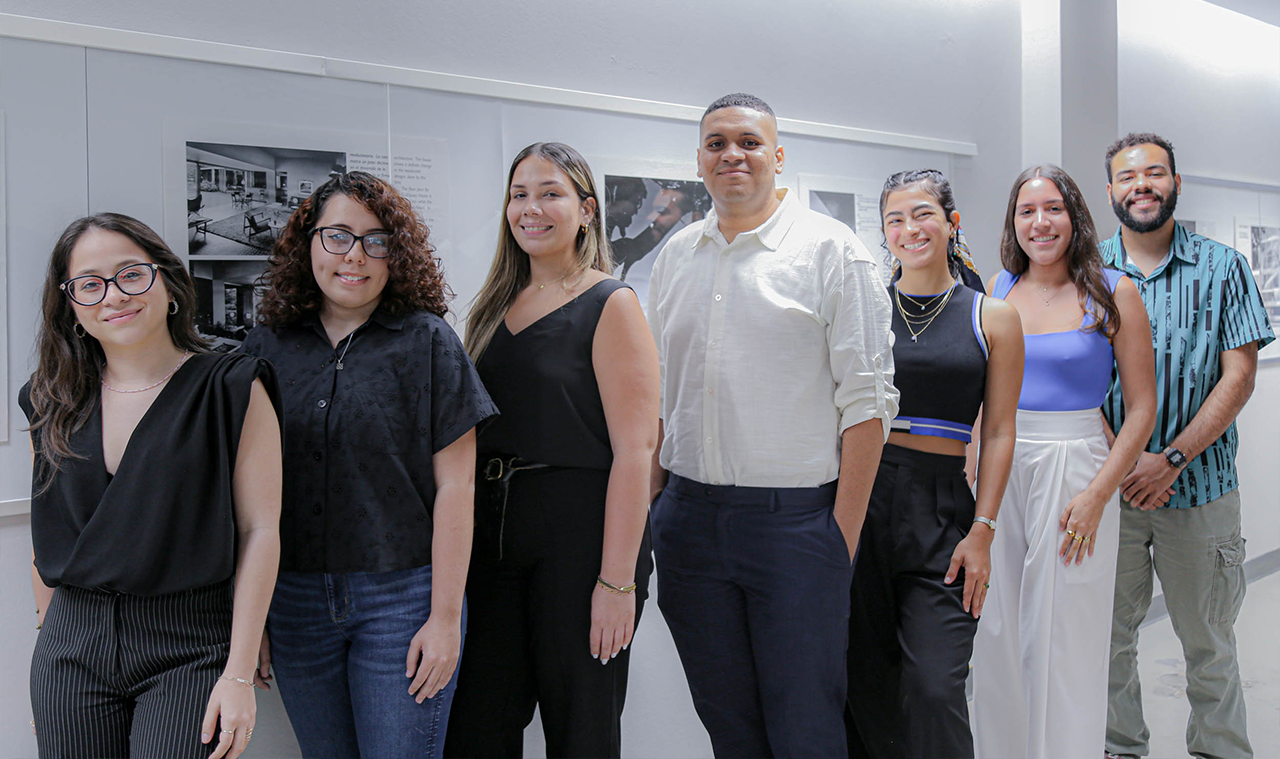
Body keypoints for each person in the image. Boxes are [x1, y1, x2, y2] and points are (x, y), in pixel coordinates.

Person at [647, 92, 898, 758]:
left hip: (796, 529)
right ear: (699, 159)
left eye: (750, 142)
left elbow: (869, 407)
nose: (733, 154)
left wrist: (836, 544)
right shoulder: (674, 258)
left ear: (778, 155)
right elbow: (660, 401)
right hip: (689, 522)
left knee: (805, 727)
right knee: (729, 723)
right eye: (717, 142)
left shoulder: (831, 252)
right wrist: (657, 510)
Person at [239, 171, 497, 759]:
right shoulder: (266, 347)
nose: (355, 255)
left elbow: (456, 487)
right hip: (295, 599)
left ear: (395, 255)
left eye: (377, 240)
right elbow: (243, 495)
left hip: (403, 602)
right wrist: (248, 618)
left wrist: (446, 618)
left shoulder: (428, 341)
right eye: (337, 236)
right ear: (307, 244)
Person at [21, 213, 282, 759]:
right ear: (71, 307)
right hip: (71, 645)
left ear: (167, 283)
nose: (114, 295)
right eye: (89, 284)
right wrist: (46, 648)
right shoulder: (51, 400)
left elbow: (260, 531)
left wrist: (237, 675)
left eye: (131, 273)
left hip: (187, 643)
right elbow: (45, 532)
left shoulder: (231, 386)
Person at [444, 142, 658, 759]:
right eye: (519, 194)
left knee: (581, 727)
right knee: (477, 725)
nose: (530, 208)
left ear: (587, 210)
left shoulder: (609, 302)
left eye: (549, 193)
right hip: (493, 533)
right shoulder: (489, 307)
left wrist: (617, 583)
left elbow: (636, 451)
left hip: (580, 534)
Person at [970, 165, 1157, 759]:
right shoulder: (996, 289)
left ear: (1075, 215)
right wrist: (973, 467)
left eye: (1053, 208)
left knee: (1063, 635)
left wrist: (1100, 493)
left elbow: (1142, 408)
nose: (1040, 222)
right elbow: (982, 395)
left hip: (1078, 463)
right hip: (1003, 465)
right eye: (1027, 211)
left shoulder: (1113, 290)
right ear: (1013, 222)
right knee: (996, 630)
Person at [1101, 133, 1274, 759]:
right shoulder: (1088, 272)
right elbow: (1077, 381)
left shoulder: (1222, 266)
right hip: (1112, 497)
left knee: (1208, 645)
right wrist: (1126, 462)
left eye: (1154, 173)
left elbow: (1241, 374)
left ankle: (1221, 751)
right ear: (1111, 190)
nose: (1141, 185)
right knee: (1108, 643)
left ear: (1176, 182)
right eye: (1127, 176)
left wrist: (1171, 459)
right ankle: (1120, 749)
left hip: (1200, 492)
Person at [845, 170, 1023, 759]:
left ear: (952, 224)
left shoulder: (992, 317)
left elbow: (997, 431)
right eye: (894, 219)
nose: (908, 229)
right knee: (865, 684)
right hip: (861, 498)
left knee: (933, 687)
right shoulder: (864, 308)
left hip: (943, 508)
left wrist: (983, 529)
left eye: (922, 214)